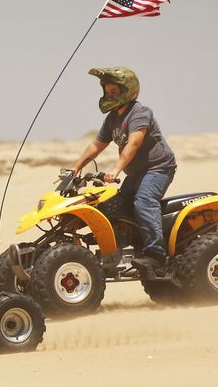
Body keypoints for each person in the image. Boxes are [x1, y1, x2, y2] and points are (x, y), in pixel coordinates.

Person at [69, 67, 177, 277]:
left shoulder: (140, 113)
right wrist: (77, 167)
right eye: (107, 91)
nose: (109, 95)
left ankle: (157, 256)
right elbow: (97, 145)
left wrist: (116, 170)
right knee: (111, 206)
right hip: (136, 174)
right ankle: (115, 254)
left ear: (129, 92)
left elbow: (134, 144)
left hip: (158, 168)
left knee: (144, 201)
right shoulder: (112, 119)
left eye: (113, 91)